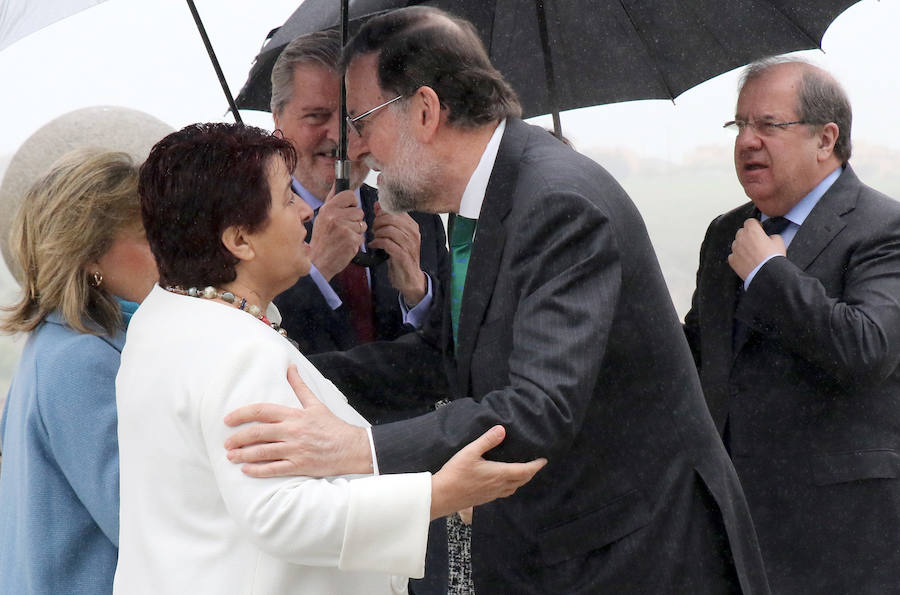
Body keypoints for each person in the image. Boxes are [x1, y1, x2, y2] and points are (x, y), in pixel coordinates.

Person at [224, 7, 771, 594]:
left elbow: (538, 409)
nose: (354, 146)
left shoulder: (558, 202)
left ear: (427, 111)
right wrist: (285, 375)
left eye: (361, 120)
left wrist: (359, 448)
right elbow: (441, 354)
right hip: (569, 543)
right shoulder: (491, 194)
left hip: (637, 552)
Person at [113, 122, 544, 594]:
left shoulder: (166, 317)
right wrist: (439, 494)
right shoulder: (235, 350)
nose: (305, 213)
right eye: (286, 199)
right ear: (239, 241)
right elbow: (279, 512)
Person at [682, 57, 900, 593]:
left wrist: (768, 273)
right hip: (732, 535)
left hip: (841, 542)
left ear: (826, 139)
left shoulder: (882, 228)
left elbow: (865, 349)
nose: (747, 142)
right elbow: (696, 354)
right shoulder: (726, 232)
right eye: (740, 125)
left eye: (768, 126)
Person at [0, 149, 158, 594]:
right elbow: (141, 523)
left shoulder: (56, 342)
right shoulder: (84, 359)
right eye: (148, 236)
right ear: (89, 254)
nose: (167, 249)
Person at [269, 30, 449, 359]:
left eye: (356, 118)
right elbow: (247, 341)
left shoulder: (419, 219)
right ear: (277, 120)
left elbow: (458, 350)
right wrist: (316, 272)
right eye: (317, 116)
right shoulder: (243, 226)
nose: (340, 137)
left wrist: (418, 292)